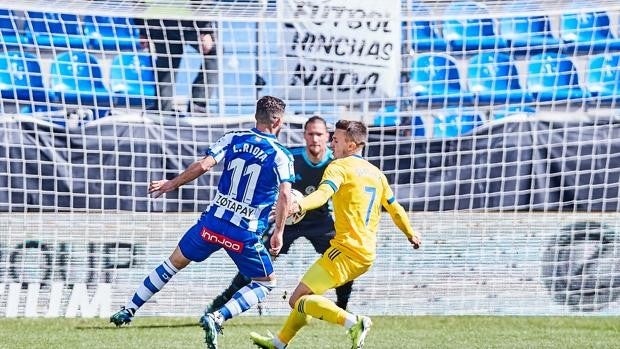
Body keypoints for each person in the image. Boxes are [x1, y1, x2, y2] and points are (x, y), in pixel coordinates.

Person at [110, 96, 294, 349]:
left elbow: (204, 165)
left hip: (211, 224)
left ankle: (129, 309)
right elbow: (285, 194)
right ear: (280, 121)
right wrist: (279, 233)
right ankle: (217, 316)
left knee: (171, 264)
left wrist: (171, 183)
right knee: (266, 283)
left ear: (256, 116)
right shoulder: (281, 155)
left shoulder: (233, 138)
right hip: (244, 233)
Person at [250, 120, 421, 349]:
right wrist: (411, 234)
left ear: (351, 145)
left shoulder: (338, 167)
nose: (331, 143)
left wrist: (299, 206)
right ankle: (279, 343)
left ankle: (354, 322)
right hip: (366, 255)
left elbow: (322, 195)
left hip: (346, 251)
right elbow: (395, 209)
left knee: (297, 300)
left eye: (336, 139)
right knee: (306, 299)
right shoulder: (377, 174)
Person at [204, 116, 354, 316]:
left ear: (327, 136)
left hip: (320, 221)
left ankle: (342, 307)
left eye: (319, 134)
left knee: (344, 257)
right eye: (311, 134)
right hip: (287, 222)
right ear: (304, 136)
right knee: (257, 260)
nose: (315, 139)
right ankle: (223, 301)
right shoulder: (291, 158)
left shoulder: (336, 164)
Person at [133, 16, 217, 114]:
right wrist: (206, 30)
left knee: (166, 63)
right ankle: (197, 104)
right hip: (185, 23)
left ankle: (164, 108)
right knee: (213, 51)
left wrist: (143, 30)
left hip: (157, 23)